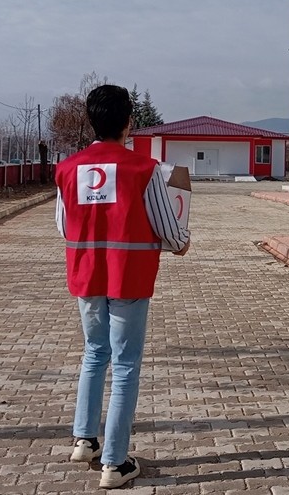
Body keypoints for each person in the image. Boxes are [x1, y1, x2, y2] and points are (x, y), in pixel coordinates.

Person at [54, 85, 190, 489]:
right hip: (128, 276)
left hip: (86, 276)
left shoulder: (67, 168)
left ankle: (84, 440)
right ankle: (114, 464)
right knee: (126, 364)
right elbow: (170, 230)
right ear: (129, 121)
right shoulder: (144, 169)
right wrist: (181, 243)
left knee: (94, 354)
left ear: (92, 120)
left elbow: (63, 226)